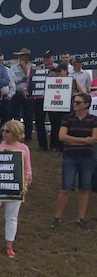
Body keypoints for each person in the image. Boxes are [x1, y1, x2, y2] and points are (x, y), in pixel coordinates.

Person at [0, 120, 32, 258]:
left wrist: (25, 185)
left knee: (11, 217)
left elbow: (27, 170)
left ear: (15, 133)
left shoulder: (23, 148)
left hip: (14, 187)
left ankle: (9, 245)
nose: (4, 133)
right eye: (3, 130)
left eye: (7, 131)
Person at [50, 92, 97, 231]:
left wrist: (72, 139)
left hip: (87, 157)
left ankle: (80, 218)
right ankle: (57, 218)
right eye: (74, 102)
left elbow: (94, 139)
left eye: (78, 102)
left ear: (86, 105)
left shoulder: (94, 120)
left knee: (84, 188)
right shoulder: (67, 118)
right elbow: (61, 137)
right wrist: (84, 140)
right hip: (70, 156)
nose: (74, 104)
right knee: (66, 188)